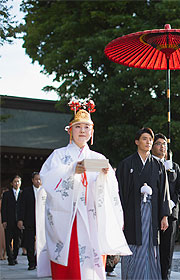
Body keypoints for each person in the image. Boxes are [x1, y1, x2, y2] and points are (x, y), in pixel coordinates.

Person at [36, 99, 131, 280]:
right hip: (69, 218)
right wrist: (71, 171)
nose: (82, 131)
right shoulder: (58, 155)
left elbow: (112, 189)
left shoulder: (99, 157)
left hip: (92, 217)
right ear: (70, 130)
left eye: (86, 127)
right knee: (70, 264)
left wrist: (106, 175)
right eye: (78, 127)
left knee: (92, 264)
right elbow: (47, 180)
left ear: (92, 132)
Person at [116, 127, 171, 280]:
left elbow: (163, 192)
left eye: (150, 139)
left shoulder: (158, 165)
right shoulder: (126, 164)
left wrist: (164, 215)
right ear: (137, 142)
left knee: (151, 247)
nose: (148, 142)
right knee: (133, 243)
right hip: (132, 212)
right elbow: (119, 192)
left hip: (152, 213)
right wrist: (119, 216)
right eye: (144, 139)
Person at [151, 133, 180, 280]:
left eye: (164, 144)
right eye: (159, 143)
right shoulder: (150, 164)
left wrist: (178, 211)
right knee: (153, 249)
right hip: (154, 212)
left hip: (171, 213)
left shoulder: (174, 166)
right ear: (152, 146)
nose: (162, 146)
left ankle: (165, 276)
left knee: (167, 250)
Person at [17, 172, 42, 270]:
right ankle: (31, 263)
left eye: (40, 179)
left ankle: (38, 261)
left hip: (41, 221)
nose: (38, 181)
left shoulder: (45, 191)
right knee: (30, 243)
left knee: (42, 243)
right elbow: (21, 207)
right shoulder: (26, 192)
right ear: (32, 180)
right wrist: (20, 219)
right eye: (36, 179)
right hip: (29, 220)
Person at [1, 175, 23, 265]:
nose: (17, 183)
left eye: (18, 181)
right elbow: (3, 208)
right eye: (15, 181)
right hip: (9, 220)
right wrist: (4, 220)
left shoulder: (23, 194)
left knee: (18, 241)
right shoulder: (7, 194)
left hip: (19, 221)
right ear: (11, 183)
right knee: (8, 240)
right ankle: (10, 259)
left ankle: (14, 256)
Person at [0, 185, 8, 260]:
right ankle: (0, 253)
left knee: (6, 238)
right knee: (1, 237)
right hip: (1, 219)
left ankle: (5, 253)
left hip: (7, 219)